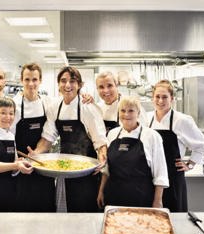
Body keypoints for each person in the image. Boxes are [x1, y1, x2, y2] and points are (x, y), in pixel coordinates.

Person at [31, 66, 108, 212]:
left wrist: (102, 158)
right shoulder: (55, 106)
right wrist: (36, 153)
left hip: (87, 170)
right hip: (64, 168)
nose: (67, 85)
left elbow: (100, 140)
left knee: (84, 209)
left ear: (79, 85)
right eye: (63, 81)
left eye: (72, 81)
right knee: (64, 209)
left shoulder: (87, 107)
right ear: (58, 84)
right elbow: (48, 138)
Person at [97, 96, 168, 209]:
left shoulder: (151, 136)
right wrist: (101, 191)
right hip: (114, 196)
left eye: (131, 110)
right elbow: (106, 170)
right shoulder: (112, 134)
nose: (126, 114)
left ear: (138, 113)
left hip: (141, 197)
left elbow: (160, 172)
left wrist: (158, 201)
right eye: (123, 110)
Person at [148, 79, 204, 212]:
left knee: (174, 216)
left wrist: (190, 164)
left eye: (165, 97)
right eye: (157, 97)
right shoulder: (146, 118)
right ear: (152, 98)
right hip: (150, 178)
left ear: (172, 99)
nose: (160, 101)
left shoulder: (182, 120)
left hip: (172, 179)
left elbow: (201, 145)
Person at [12, 63, 55, 212]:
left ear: (40, 80)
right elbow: (7, 136)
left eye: (35, 79)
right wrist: (18, 161)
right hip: (21, 165)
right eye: (27, 79)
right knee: (22, 206)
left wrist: (37, 153)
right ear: (21, 80)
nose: (31, 84)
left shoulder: (47, 103)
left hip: (42, 162)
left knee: (45, 203)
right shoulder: (14, 105)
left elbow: (50, 133)